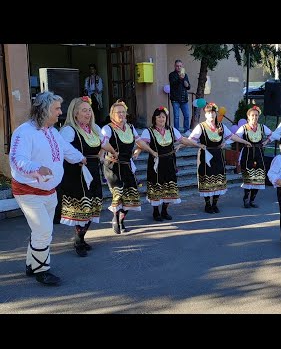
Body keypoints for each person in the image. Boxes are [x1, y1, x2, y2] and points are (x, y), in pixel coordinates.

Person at [9, 91, 87, 286]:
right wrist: (36, 168)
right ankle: (42, 270)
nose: (60, 112)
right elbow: (17, 160)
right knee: (44, 230)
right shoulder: (24, 132)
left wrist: (80, 158)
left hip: (50, 192)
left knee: (41, 230)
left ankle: (31, 264)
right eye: (57, 109)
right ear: (44, 110)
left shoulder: (52, 131)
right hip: (28, 191)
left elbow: (65, 149)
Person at [58, 96, 118, 257]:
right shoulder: (69, 130)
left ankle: (81, 237)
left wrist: (112, 152)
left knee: (93, 205)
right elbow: (62, 150)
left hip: (92, 171)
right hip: (77, 173)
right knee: (83, 208)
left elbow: (103, 144)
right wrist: (77, 159)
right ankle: (78, 240)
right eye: (84, 110)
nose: (88, 113)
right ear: (75, 113)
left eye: (89, 110)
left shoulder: (95, 129)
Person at [135, 106, 205, 221]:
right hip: (156, 164)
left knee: (169, 186)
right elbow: (141, 144)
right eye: (159, 117)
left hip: (170, 163)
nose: (161, 119)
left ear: (166, 118)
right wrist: (137, 151)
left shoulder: (172, 130)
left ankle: (164, 211)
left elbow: (183, 140)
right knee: (156, 186)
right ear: (154, 118)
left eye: (163, 117)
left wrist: (197, 145)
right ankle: (156, 212)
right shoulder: (148, 131)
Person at [101, 100, 158, 234]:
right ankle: (115, 219)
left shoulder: (130, 128)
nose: (121, 114)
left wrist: (151, 151)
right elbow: (102, 143)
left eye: (123, 112)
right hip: (112, 166)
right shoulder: (107, 128)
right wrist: (101, 156)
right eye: (118, 112)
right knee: (118, 194)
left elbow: (139, 142)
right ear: (112, 115)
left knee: (131, 195)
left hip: (126, 165)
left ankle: (121, 218)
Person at [188, 102, 252, 213]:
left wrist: (244, 141)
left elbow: (232, 136)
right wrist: (194, 144)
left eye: (213, 112)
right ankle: (207, 205)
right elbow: (190, 140)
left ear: (216, 113)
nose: (211, 115)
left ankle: (215, 204)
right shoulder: (201, 126)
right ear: (205, 114)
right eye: (209, 113)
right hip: (205, 156)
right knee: (207, 179)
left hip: (218, 155)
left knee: (218, 179)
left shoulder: (221, 126)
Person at [234, 105, 273, 208]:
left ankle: (252, 200)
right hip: (248, 154)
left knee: (258, 177)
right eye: (252, 115)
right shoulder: (244, 127)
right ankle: (246, 199)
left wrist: (266, 141)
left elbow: (272, 135)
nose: (254, 117)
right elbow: (236, 137)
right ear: (248, 117)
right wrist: (244, 141)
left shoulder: (262, 127)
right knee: (249, 177)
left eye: (256, 115)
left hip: (259, 153)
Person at [168, 59, 191, 133]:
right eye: (177, 66)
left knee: (187, 116)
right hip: (175, 99)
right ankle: (176, 132)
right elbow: (174, 85)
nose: (179, 67)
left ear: (182, 66)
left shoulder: (185, 75)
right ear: (175, 66)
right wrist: (180, 79)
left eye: (180, 66)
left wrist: (186, 83)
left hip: (184, 99)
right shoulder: (172, 75)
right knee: (176, 117)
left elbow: (188, 87)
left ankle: (187, 130)